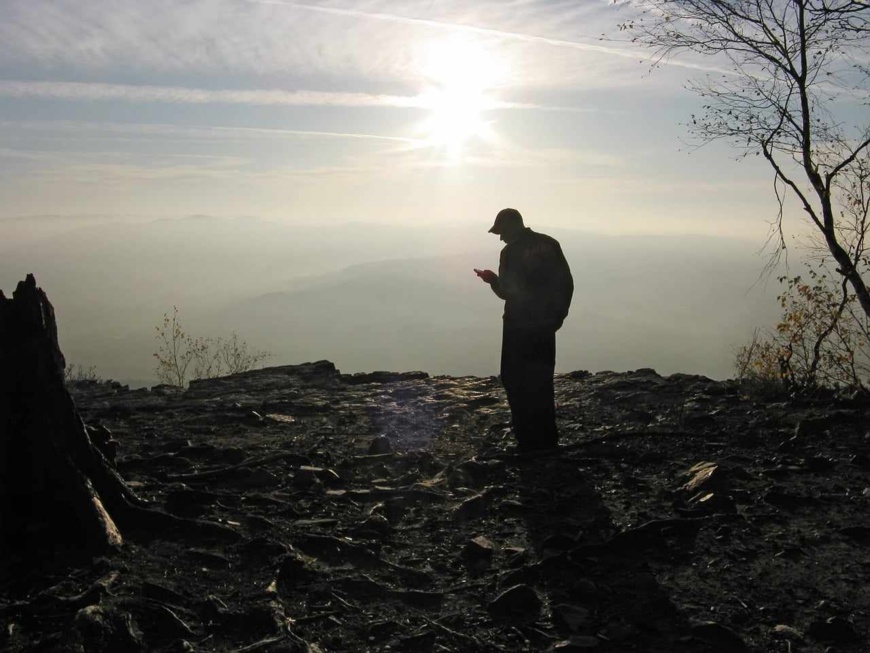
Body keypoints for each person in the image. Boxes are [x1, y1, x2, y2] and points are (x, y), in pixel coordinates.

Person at [475, 208, 573, 452]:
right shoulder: (550, 244)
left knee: (515, 380)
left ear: (513, 226)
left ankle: (527, 440)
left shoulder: (510, 253)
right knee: (541, 380)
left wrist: (492, 281)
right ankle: (547, 439)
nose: (500, 237)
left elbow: (509, 292)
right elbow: (566, 283)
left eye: (501, 231)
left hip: (518, 326)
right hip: (544, 326)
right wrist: (558, 317)